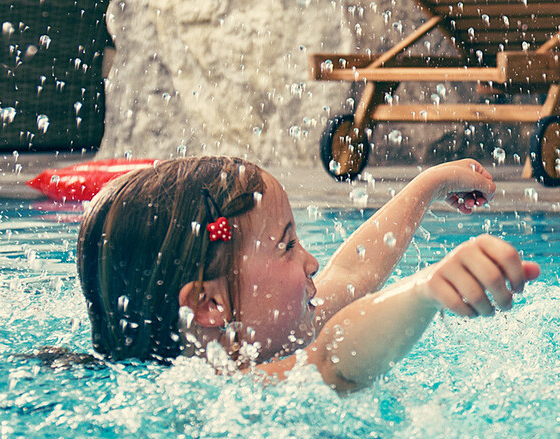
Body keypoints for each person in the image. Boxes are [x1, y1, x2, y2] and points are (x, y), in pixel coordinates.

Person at [75, 156, 536, 391]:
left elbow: (355, 270)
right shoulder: (230, 390)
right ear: (209, 304)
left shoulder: (265, 329)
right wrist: (426, 290)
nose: (312, 262)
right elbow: (335, 359)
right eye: (288, 245)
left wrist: (431, 183)